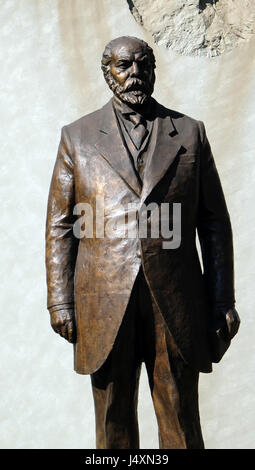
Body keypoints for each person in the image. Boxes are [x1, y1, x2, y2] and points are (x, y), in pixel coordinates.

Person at [45, 36, 240, 449]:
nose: (134, 74)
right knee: (113, 422)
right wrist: (60, 301)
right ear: (108, 73)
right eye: (123, 66)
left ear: (154, 70)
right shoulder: (76, 138)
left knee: (181, 420)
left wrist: (223, 300)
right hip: (103, 301)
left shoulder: (190, 133)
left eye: (142, 65)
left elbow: (215, 224)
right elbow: (61, 226)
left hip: (176, 299)